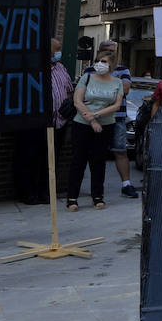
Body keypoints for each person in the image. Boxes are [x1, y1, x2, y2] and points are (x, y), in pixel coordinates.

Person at [14, 39, 73, 205]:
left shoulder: (61, 68)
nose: (60, 53)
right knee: (30, 157)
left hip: (58, 122)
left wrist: (68, 103)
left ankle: (44, 191)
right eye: (57, 50)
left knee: (50, 159)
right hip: (35, 123)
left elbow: (68, 90)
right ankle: (28, 193)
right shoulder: (32, 69)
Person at [65, 49, 125, 211]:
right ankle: (72, 198)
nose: (100, 64)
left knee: (98, 162)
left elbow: (116, 105)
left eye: (104, 61)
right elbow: (78, 101)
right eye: (98, 61)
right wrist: (92, 120)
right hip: (82, 124)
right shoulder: (87, 78)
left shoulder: (117, 82)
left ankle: (97, 196)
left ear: (112, 64)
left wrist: (97, 115)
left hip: (106, 125)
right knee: (79, 160)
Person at [96, 40, 139, 199]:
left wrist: (103, 85)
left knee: (120, 151)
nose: (110, 54)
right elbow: (89, 90)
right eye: (107, 51)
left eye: (113, 51)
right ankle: (96, 187)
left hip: (118, 118)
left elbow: (126, 89)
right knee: (96, 153)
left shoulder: (123, 69)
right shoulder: (91, 70)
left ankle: (126, 184)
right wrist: (116, 83)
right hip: (98, 118)